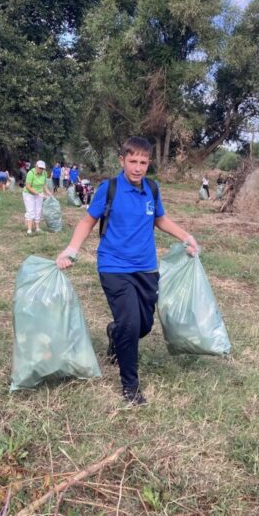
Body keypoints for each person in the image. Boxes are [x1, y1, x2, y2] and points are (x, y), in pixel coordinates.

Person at [55, 136, 200, 406]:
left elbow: (160, 219)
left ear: (148, 164)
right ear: (122, 160)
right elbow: (88, 221)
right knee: (131, 324)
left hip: (146, 269)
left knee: (143, 325)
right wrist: (71, 250)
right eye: (132, 161)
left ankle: (115, 333)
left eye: (143, 162)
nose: (137, 167)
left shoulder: (152, 189)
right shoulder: (109, 189)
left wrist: (186, 237)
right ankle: (130, 387)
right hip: (113, 267)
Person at [23, 160, 53, 234]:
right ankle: (29, 230)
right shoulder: (31, 173)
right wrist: (37, 193)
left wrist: (49, 193)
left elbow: (44, 185)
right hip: (29, 194)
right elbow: (28, 186)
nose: (41, 170)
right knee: (30, 211)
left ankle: (37, 228)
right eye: (40, 168)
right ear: (36, 166)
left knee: (38, 210)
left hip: (39, 193)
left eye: (42, 168)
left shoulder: (44, 174)